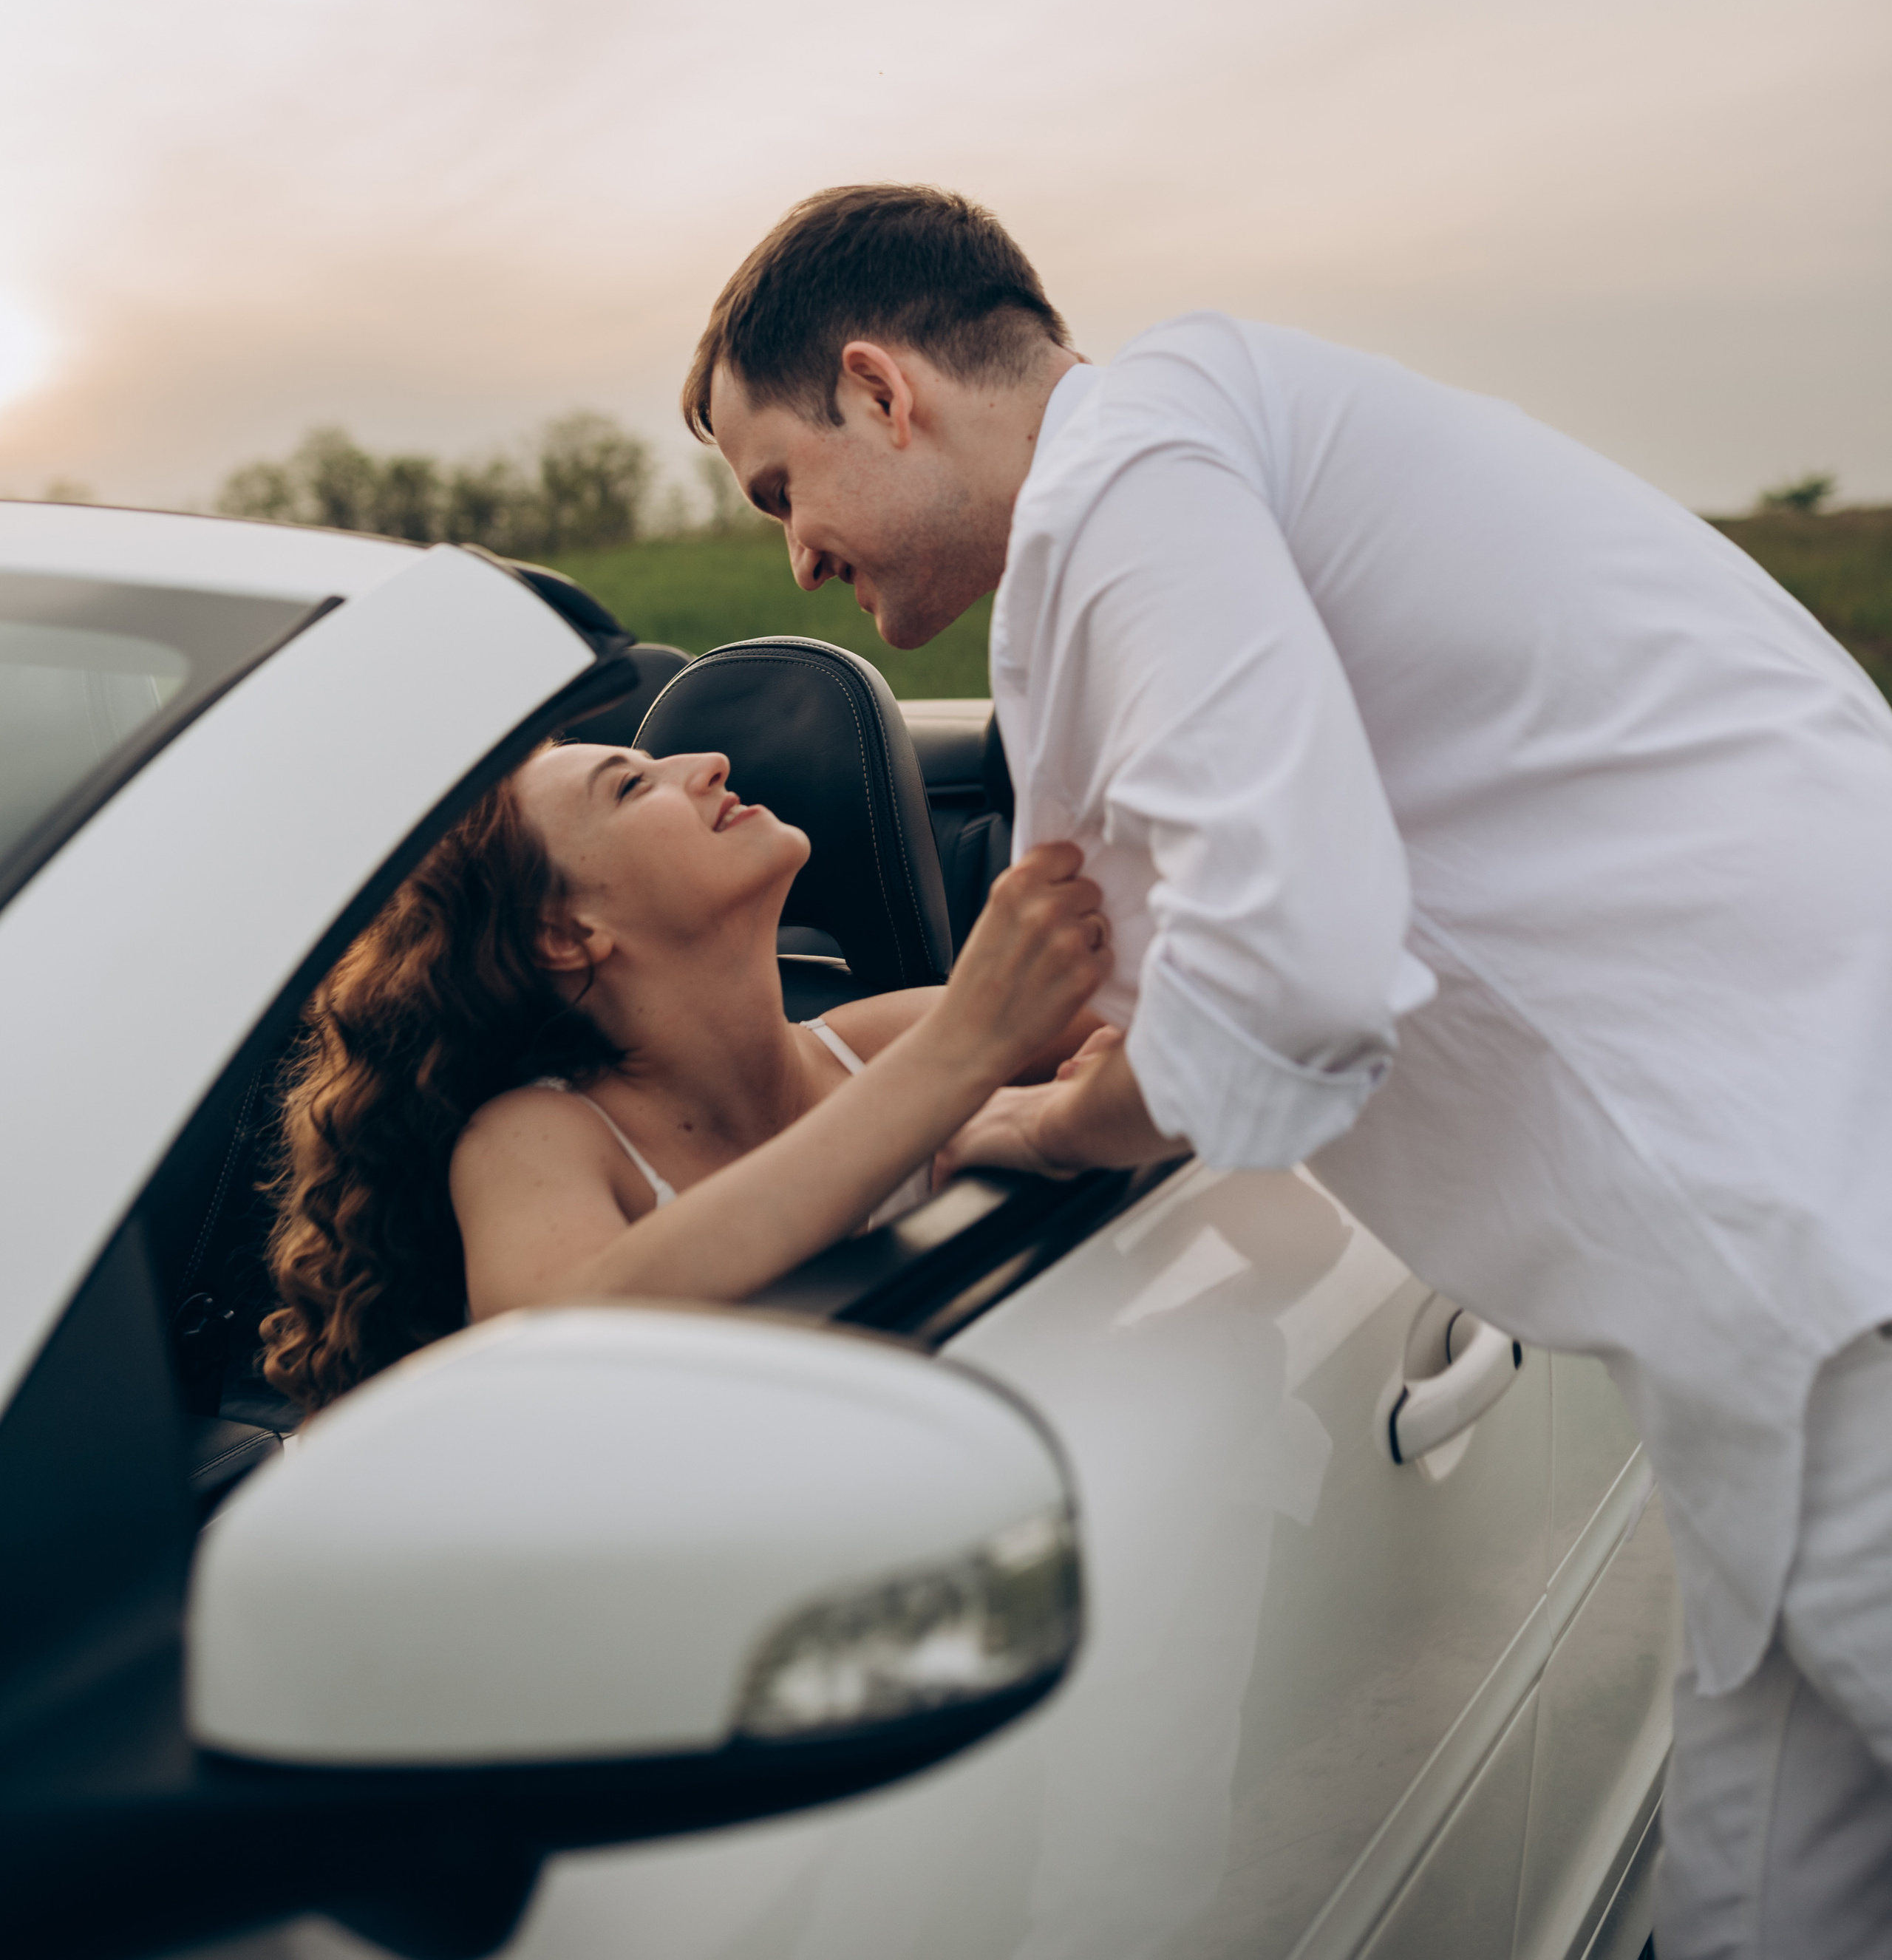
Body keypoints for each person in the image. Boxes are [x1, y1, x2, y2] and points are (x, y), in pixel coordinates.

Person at [692, 180, 1892, 1960]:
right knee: (1768, 1865)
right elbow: (1242, 958)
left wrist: (1030, 1108)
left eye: (779, 485)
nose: (789, 555)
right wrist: (1064, 1094)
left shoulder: (1137, 472)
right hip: (1772, 1285)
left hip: (1828, 1221)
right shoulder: (1209, 456)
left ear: (879, 388)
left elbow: (1295, 958)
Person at [262, 734, 1108, 1412]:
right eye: (630, 787)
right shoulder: (535, 1136)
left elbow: (1202, 1024)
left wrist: (1068, 1107)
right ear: (567, 932)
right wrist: (961, 1054)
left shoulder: (877, 1042)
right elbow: (548, 1355)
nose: (710, 763)